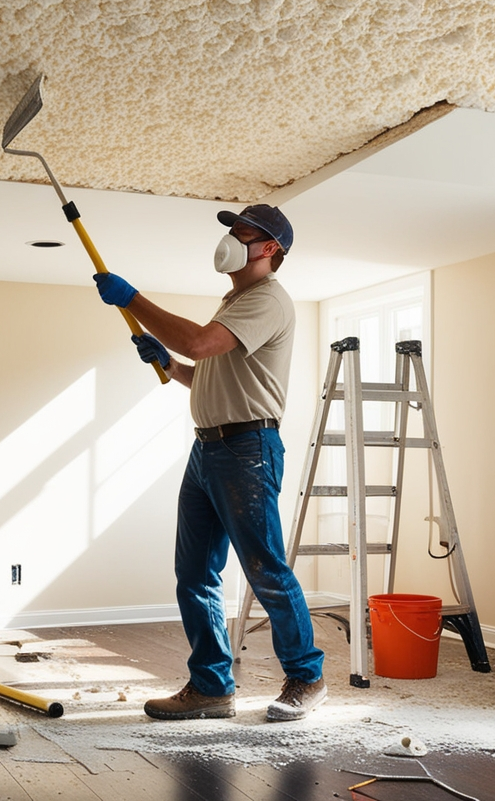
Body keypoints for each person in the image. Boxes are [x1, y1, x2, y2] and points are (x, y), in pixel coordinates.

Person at [92, 203, 326, 722]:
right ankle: (211, 687)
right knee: (194, 573)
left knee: (265, 568)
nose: (232, 238)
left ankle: (307, 678)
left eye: (244, 232)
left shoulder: (266, 299)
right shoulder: (235, 300)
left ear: (270, 249)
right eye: (232, 230)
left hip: (247, 452)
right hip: (210, 449)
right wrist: (169, 364)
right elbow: (208, 375)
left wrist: (133, 299)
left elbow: (200, 341)